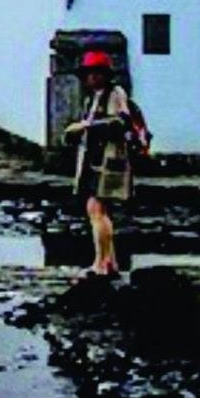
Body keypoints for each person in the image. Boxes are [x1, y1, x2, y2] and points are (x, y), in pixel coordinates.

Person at [64, 51, 152, 279]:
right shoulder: (93, 98)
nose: (91, 78)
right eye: (88, 74)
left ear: (104, 75)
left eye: (95, 73)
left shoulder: (115, 94)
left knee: (96, 209)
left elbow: (119, 122)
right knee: (98, 211)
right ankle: (108, 261)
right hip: (94, 160)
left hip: (108, 161)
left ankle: (102, 263)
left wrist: (85, 126)